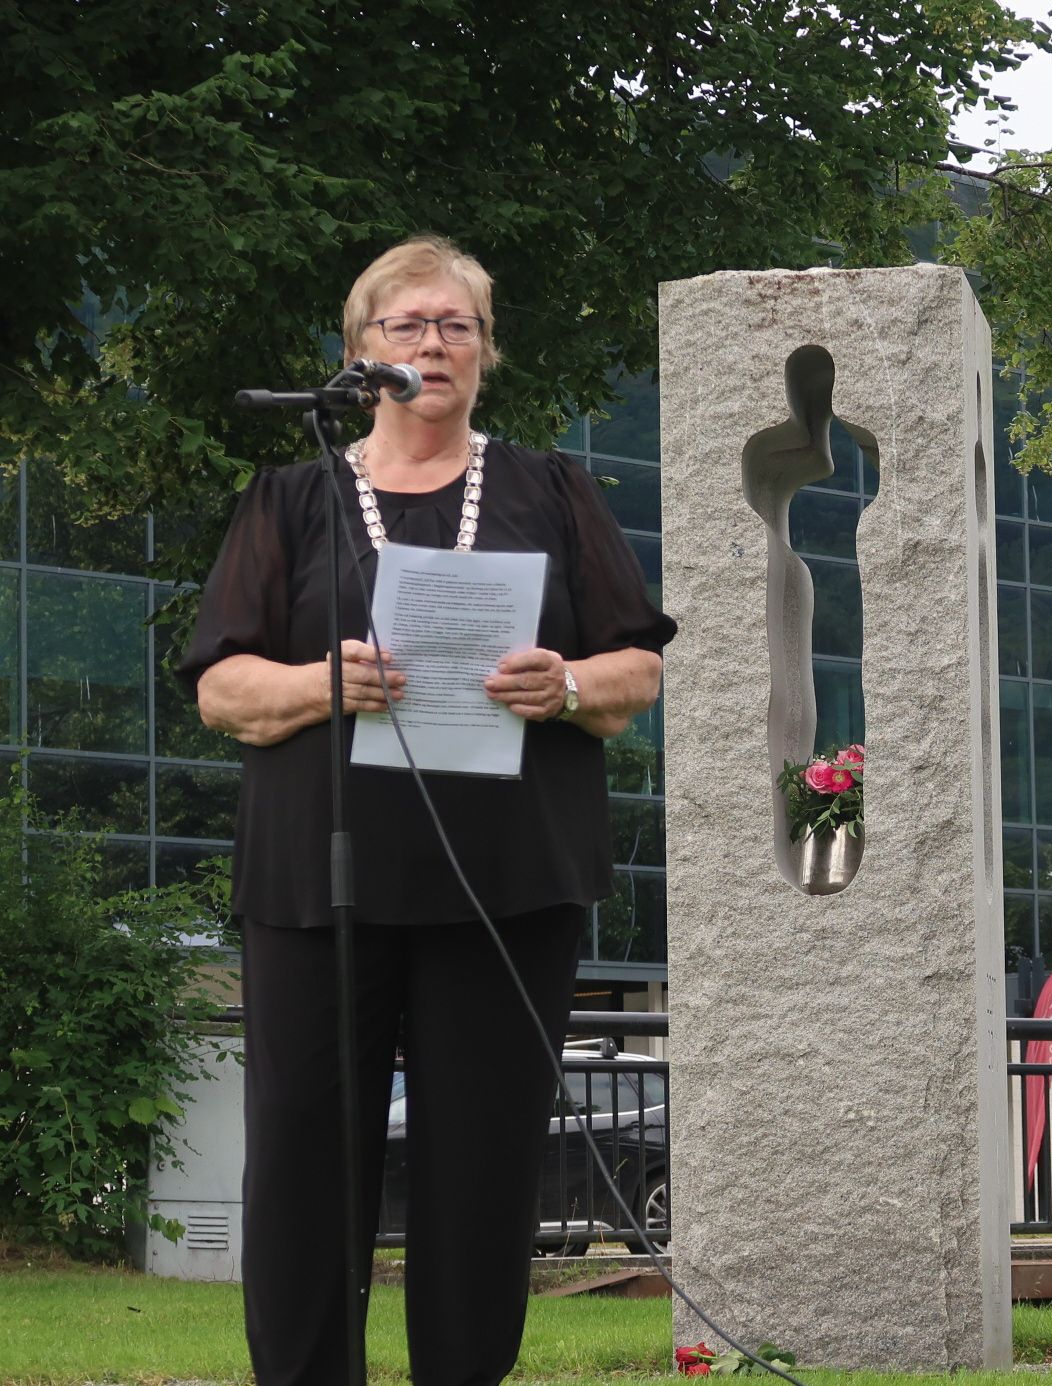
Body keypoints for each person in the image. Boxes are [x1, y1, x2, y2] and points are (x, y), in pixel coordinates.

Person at [181, 234, 677, 1386]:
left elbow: (632, 674)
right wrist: (321, 686)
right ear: (360, 354)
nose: (431, 343)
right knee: (305, 1162)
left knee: (481, 1169)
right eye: (405, 325)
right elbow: (220, 690)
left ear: (486, 352)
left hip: (505, 885)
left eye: (456, 325)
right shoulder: (291, 499)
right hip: (321, 886)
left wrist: (560, 684)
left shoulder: (552, 489)